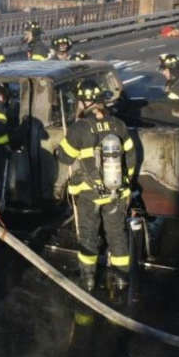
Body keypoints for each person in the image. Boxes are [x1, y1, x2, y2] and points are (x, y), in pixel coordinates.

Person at [56, 80, 137, 291]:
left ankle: (88, 280)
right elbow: (131, 157)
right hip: (116, 192)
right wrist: (126, 185)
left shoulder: (79, 127)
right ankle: (121, 279)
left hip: (89, 194)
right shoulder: (118, 124)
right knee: (117, 235)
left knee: (88, 237)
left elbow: (64, 158)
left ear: (84, 102)